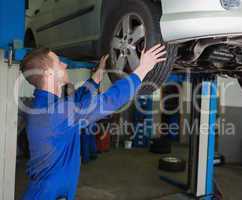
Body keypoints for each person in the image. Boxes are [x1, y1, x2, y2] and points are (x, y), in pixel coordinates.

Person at [20, 44, 166, 200]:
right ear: (49, 73)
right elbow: (109, 100)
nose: (65, 64)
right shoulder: (54, 113)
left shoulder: (46, 105)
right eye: (59, 62)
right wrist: (143, 69)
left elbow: (77, 100)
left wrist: (98, 75)